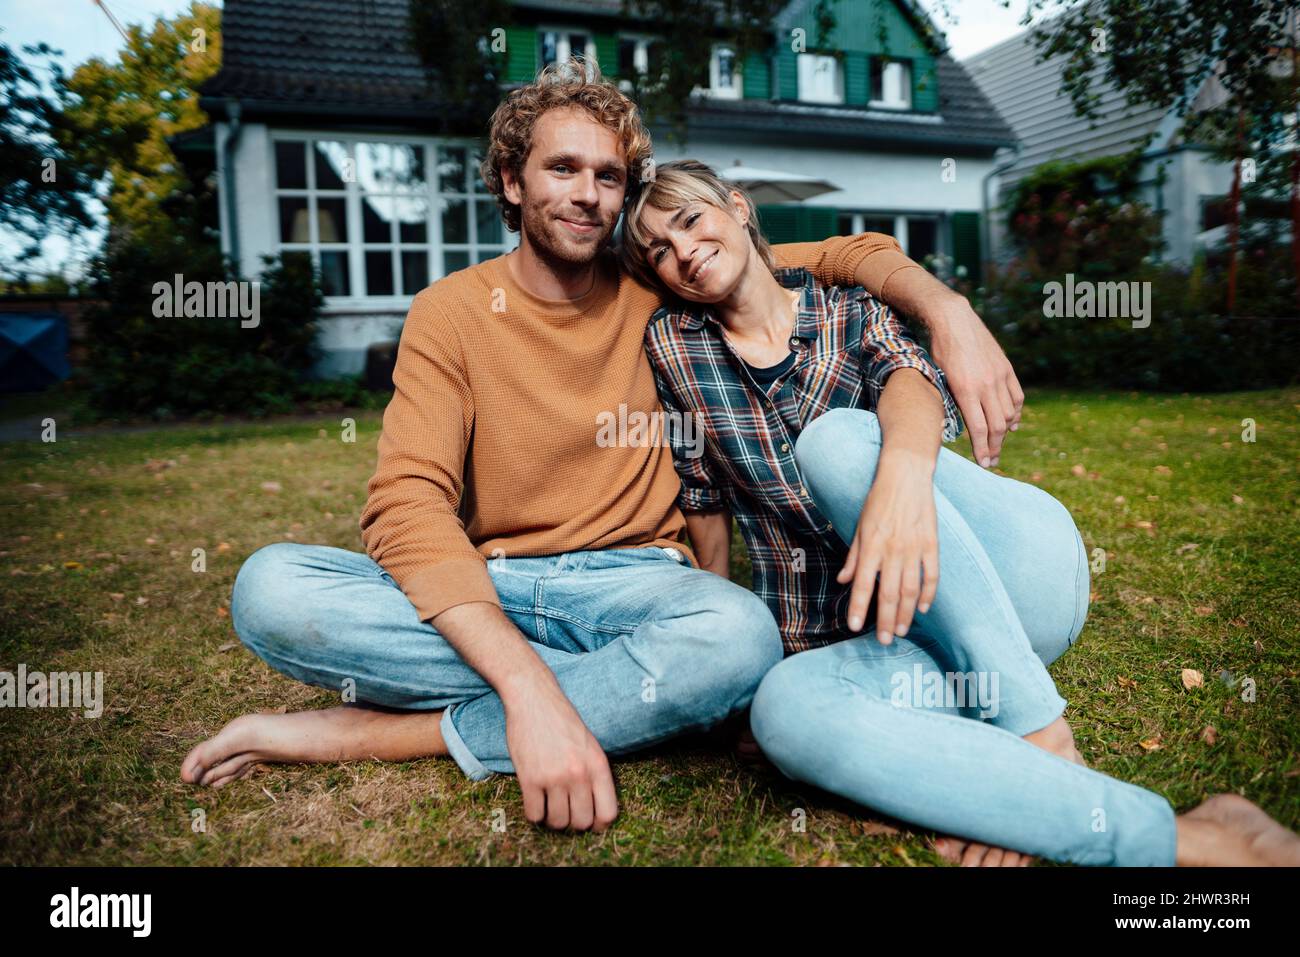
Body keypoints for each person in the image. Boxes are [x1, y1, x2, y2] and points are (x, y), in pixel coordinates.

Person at [180, 57, 1025, 834]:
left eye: (608, 176)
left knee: (735, 634)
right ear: (511, 181)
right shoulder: (451, 312)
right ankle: (603, 692)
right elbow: (407, 505)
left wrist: (945, 310)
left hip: (645, 590)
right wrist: (526, 686)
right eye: (562, 168)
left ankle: (388, 732)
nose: (587, 194)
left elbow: (843, 254)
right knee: (273, 589)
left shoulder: (661, 281)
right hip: (498, 583)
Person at [622, 157, 1300, 865]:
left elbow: (909, 377)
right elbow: (703, 495)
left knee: (838, 443)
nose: (683, 253)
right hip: (894, 639)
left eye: (691, 221)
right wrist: (735, 667)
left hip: (1015, 577)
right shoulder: (675, 344)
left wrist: (902, 478)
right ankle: (1181, 832)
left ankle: (1039, 732)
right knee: (787, 711)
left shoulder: (846, 303)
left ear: (737, 207)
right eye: (659, 252)